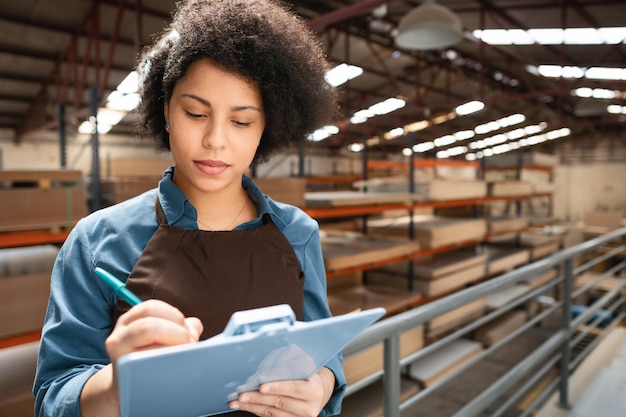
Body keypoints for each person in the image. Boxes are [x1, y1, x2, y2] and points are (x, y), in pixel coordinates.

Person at [33, 1, 346, 416]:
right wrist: (115, 385)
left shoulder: (298, 231)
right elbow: (54, 394)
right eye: (196, 113)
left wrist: (322, 385)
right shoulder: (96, 240)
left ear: (266, 126)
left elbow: (322, 351)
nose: (216, 140)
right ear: (165, 110)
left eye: (241, 121)